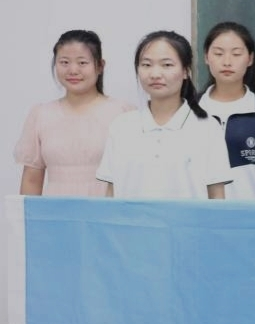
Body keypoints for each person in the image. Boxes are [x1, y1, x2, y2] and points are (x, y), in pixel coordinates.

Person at [97, 31, 230, 199]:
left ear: (186, 71)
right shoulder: (122, 127)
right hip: (131, 217)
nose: (155, 74)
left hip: (188, 218)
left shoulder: (207, 128)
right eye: (146, 65)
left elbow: (217, 198)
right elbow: (111, 193)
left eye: (167, 65)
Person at [15, 30, 133, 196]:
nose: (73, 70)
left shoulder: (123, 113)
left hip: (107, 209)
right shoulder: (41, 114)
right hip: (55, 211)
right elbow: (31, 180)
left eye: (82, 62)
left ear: (100, 66)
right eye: (64, 62)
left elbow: (136, 177)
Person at [198, 22, 255, 200]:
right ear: (206, 57)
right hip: (200, 212)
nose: (227, 62)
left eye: (236, 54)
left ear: (250, 59)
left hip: (250, 212)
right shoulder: (191, 109)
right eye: (218, 53)